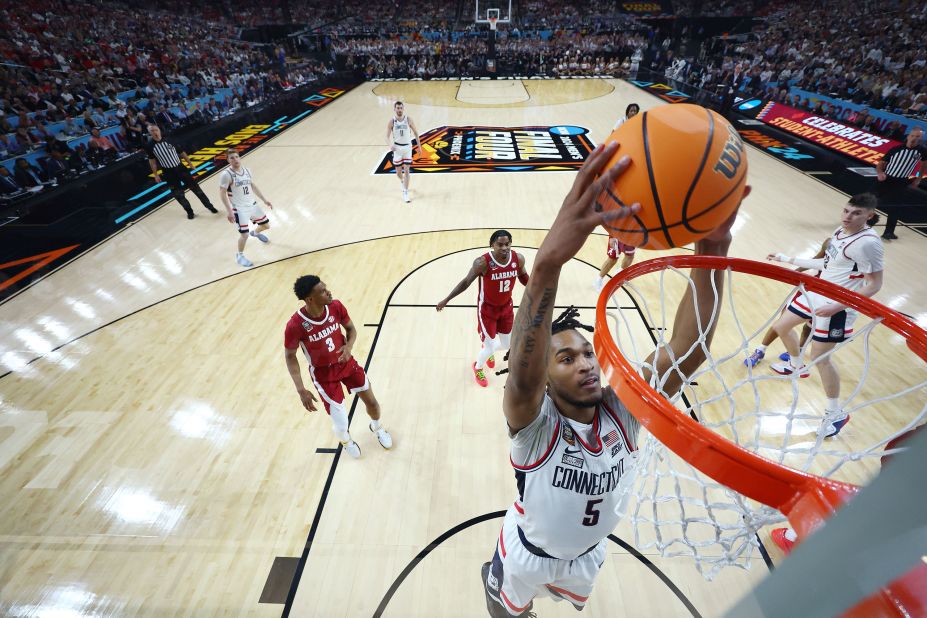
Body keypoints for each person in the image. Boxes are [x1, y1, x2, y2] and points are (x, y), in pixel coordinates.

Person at [481, 141, 750, 617]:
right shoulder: (533, 425)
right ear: (543, 374)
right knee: (504, 613)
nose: (585, 362)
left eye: (586, 353)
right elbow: (523, 375)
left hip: (586, 558)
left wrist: (711, 250)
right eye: (565, 358)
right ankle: (496, 584)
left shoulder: (622, 408)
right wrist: (547, 264)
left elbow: (688, 351)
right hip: (527, 554)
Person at [766, 193, 884, 438]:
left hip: (839, 306)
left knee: (821, 358)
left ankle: (836, 413)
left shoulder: (868, 243)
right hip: (818, 294)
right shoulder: (840, 231)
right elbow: (828, 265)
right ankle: (796, 365)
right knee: (782, 326)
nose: (848, 217)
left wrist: (837, 306)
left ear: (869, 216)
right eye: (846, 211)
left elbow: (874, 284)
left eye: (856, 213)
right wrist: (787, 259)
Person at [283, 276, 392, 459]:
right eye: (323, 291)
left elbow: (351, 330)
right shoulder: (295, 325)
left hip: (346, 363)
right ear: (310, 299)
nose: (329, 292)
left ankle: (377, 427)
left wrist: (348, 347)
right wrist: (301, 390)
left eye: (326, 289)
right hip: (324, 374)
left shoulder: (336, 306)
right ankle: (346, 441)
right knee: (341, 423)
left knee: (372, 402)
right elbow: (290, 356)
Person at [436, 230, 529, 388]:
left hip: (507, 308)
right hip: (487, 310)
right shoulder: (482, 262)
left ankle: (487, 350)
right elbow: (466, 282)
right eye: (500, 244)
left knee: (507, 345)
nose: (504, 247)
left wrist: (539, 289)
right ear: (492, 245)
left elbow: (524, 278)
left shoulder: (518, 259)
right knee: (490, 346)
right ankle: (478, 367)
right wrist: (447, 299)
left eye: (507, 244)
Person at [144, 123, 218, 219]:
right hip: (168, 173)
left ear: (159, 130)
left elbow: (181, 152)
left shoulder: (169, 139)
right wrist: (156, 175)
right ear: (150, 133)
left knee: (196, 189)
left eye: (156, 130)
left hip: (180, 168)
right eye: (152, 131)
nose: (155, 132)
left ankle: (209, 206)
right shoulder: (149, 146)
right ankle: (189, 211)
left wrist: (190, 164)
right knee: (178, 195)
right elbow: (152, 161)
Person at [218, 148, 274, 268]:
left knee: (266, 225)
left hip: (253, 205)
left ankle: (256, 232)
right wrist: (229, 211)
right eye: (232, 158)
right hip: (239, 209)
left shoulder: (247, 171)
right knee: (244, 235)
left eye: (237, 157)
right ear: (228, 160)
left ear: (240, 157)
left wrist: (264, 199)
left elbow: (252, 185)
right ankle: (240, 256)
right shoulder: (226, 175)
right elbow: (222, 193)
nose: (235, 159)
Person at [874, 126, 925, 240]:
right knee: (873, 201)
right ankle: (863, 222)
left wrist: (918, 178)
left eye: (918, 137)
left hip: (902, 182)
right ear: (908, 136)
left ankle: (889, 232)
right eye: (913, 136)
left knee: (896, 207)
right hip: (887, 179)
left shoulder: (922, 151)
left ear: (920, 139)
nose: (914, 138)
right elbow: (880, 164)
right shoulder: (896, 149)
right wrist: (880, 173)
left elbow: (924, 164)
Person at [385, 101, 420, 203]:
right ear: (394, 109)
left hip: (407, 148)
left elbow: (416, 133)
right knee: (398, 173)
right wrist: (390, 145)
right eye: (397, 108)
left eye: (401, 108)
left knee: (407, 171)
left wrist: (419, 147)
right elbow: (386, 137)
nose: (399, 110)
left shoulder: (408, 119)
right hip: (397, 149)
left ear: (403, 109)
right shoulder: (392, 121)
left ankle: (405, 192)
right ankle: (402, 181)